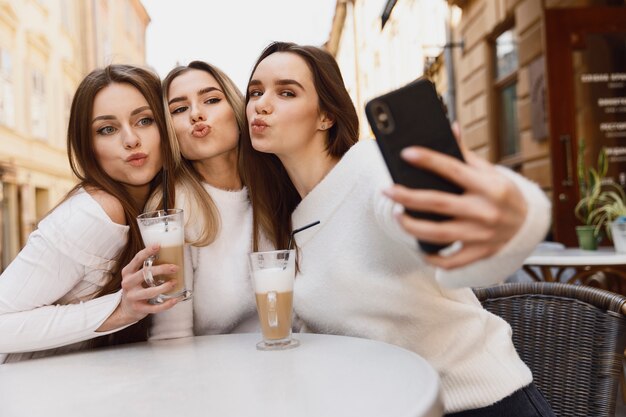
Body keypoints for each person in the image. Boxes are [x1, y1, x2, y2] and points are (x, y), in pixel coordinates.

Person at [240, 41, 554, 416]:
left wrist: (477, 220)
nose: (261, 103)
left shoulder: (372, 168)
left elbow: (419, 222)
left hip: (479, 403)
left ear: (326, 116)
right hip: (395, 405)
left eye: (286, 92)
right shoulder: (289, 216)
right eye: (255, 91)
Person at [0, 65, 180, 363]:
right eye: (107, 129)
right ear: (89, 146)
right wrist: (120, 310)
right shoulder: (95, 212)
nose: (131, 140)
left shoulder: (155, 205)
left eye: (145, 120)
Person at [147, 61, 259, 340]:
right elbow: (170, 337)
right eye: (179, 109)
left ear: (236, 109)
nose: (196, 114)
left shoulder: (274, 189)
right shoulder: (171, 213)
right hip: (214, 376)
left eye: (211, 100)